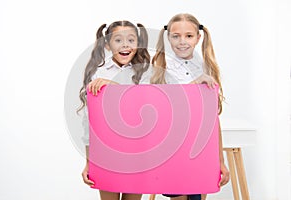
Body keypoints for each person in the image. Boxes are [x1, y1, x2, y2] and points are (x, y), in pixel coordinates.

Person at [151, 13, 230, 200]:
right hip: (173, 151)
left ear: (198, 38)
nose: (182, 41)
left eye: (188, 36)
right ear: (168, 37)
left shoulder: (204, 67)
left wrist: (220, 160)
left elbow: (212, 121)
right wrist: (194, 84)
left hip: (200, 151)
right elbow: (164, 108)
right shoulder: (162, 68)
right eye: (175, 36)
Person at [77, 20, 151, 200]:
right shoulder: (98, 73)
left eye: (131, 40)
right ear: (108, 45)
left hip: (138, 152)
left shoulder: (146, 73)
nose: (125, 45)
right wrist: (89, 161)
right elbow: (90, 121)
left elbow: (144, 107)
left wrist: (114, 86)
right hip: (106, 153)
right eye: (118, 40)